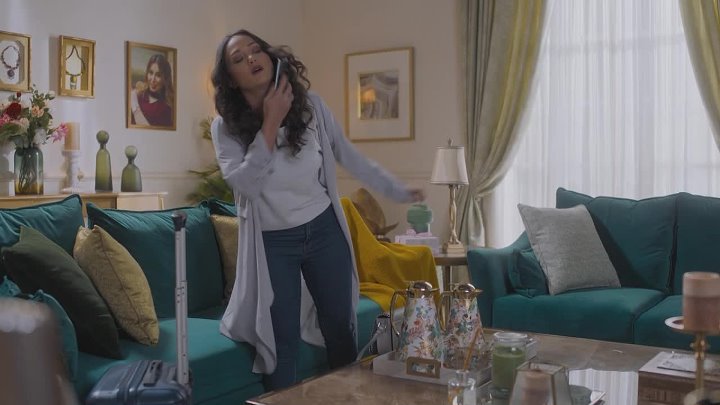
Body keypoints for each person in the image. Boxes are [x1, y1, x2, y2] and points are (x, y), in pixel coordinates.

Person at [210, 29, 424, 390]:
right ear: (231, 79)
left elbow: (350, 157)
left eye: (255, 49)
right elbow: (245, 184)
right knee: (281, 342)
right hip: (272, 243)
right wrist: (271, 122)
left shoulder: (311, 107)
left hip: (324, 230)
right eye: (238, 59)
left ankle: (347, 397)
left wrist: (397, 189)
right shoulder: (225, 128)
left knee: (340, 327)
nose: (251, 58)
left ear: (269, 56)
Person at [130, 53, 174, 127]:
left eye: (158, 75)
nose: (153, 79)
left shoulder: (167, 107)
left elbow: (148, 130)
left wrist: (134, 105)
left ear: (165, 78)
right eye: (150, 73)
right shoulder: (139, 95)